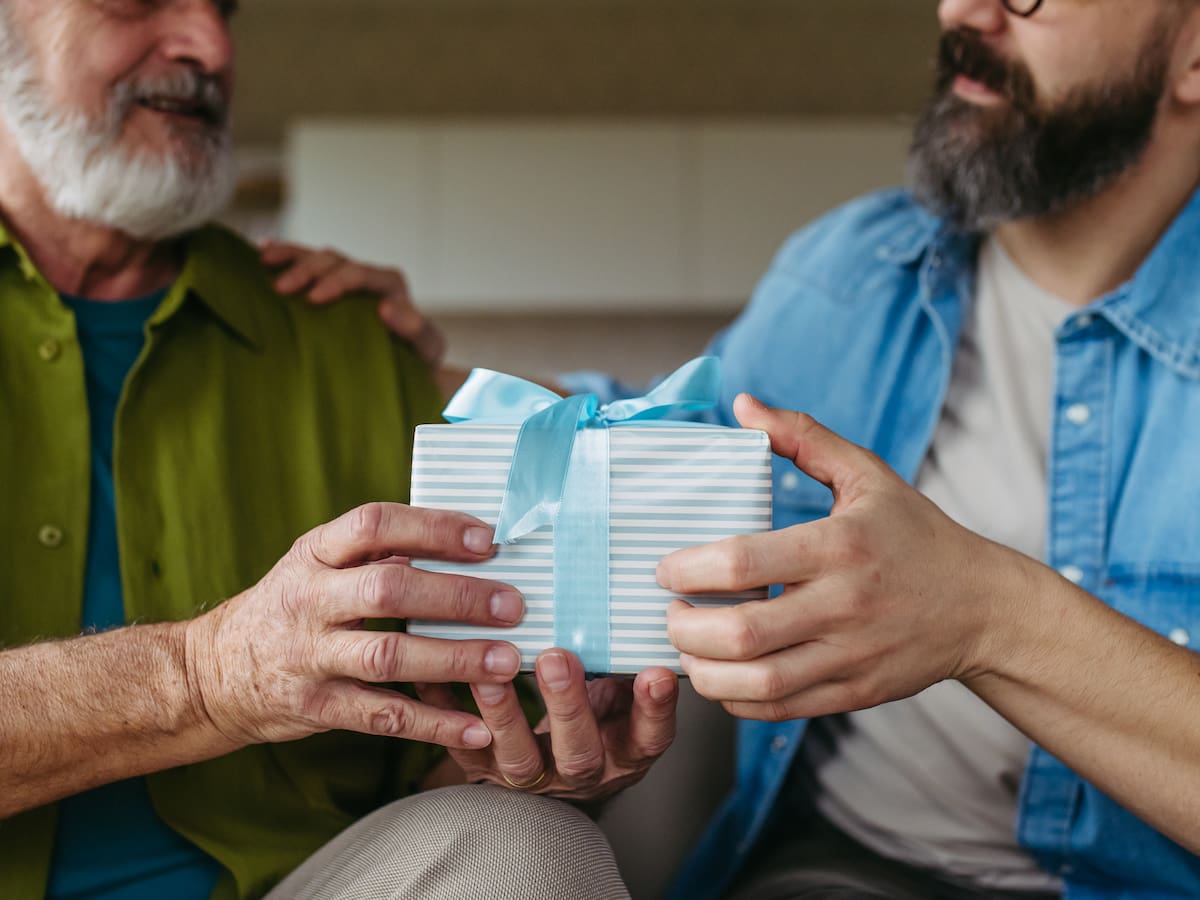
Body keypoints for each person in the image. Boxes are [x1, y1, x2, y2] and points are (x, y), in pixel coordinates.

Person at [301, 0, 1200, 896]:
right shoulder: (854, 266)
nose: (964, 11)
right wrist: (418, 365)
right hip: (840, 871)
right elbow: (662, 437)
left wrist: (986, 615)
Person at [0, 1, 678, 898]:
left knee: (526, 846)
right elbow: (219, 674)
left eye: (223, 8)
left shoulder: (353, 344)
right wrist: (206, 675)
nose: (210, 47)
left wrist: (526, 757)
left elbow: (439, 765)